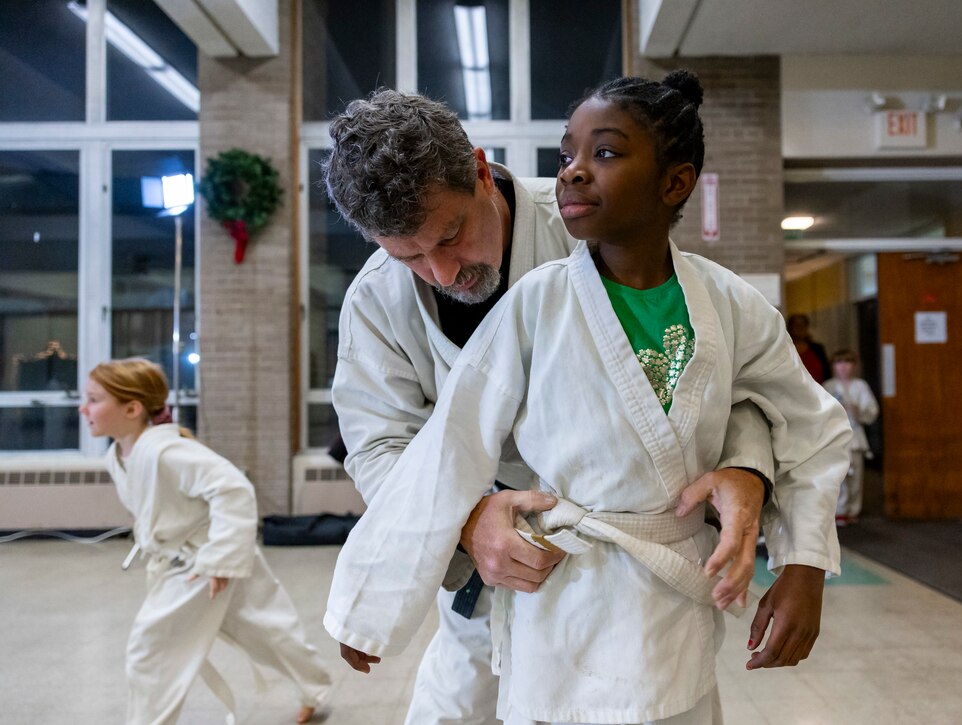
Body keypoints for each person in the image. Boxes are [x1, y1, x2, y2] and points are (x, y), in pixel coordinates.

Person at [324, 71, 851, 724]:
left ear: (481, 172)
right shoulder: (377, 299)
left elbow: (709, 380)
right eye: (409, 258)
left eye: (451, 234)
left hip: (646, 567)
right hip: (493, 560)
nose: (442, 271)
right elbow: (390, 445)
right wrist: (464, 523)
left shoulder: (591, 223)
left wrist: (751, 475)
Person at [80, 358, 332, 725]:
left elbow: (234, 489)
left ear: (132, 409)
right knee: (265, 629)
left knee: (151, 650)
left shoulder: (169, 452)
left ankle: (314, 689)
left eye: (93, 400)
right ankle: (315, 688)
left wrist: (220, 560)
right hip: (188, 560)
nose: (83, 408)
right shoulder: (117, 455)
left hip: (202, 563)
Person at [822, 349, 880, 525]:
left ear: (854, 365)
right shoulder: (828, 386)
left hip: (855, 436)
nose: (843, 367)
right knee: (839, 475)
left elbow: (871, 409)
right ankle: (839, 510)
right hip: (836, 435)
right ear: (833, 366)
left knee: (856, 478)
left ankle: (853, 509)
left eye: (847, 362)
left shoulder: (860, 386)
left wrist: (858, 410)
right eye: (839, 362)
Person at [787, 313, 831, 382]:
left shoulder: (818, 348)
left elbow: (827, 373)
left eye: (803, 325)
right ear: (790, 328)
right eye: (796, 325)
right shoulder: (785, 349)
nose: (800, 328)